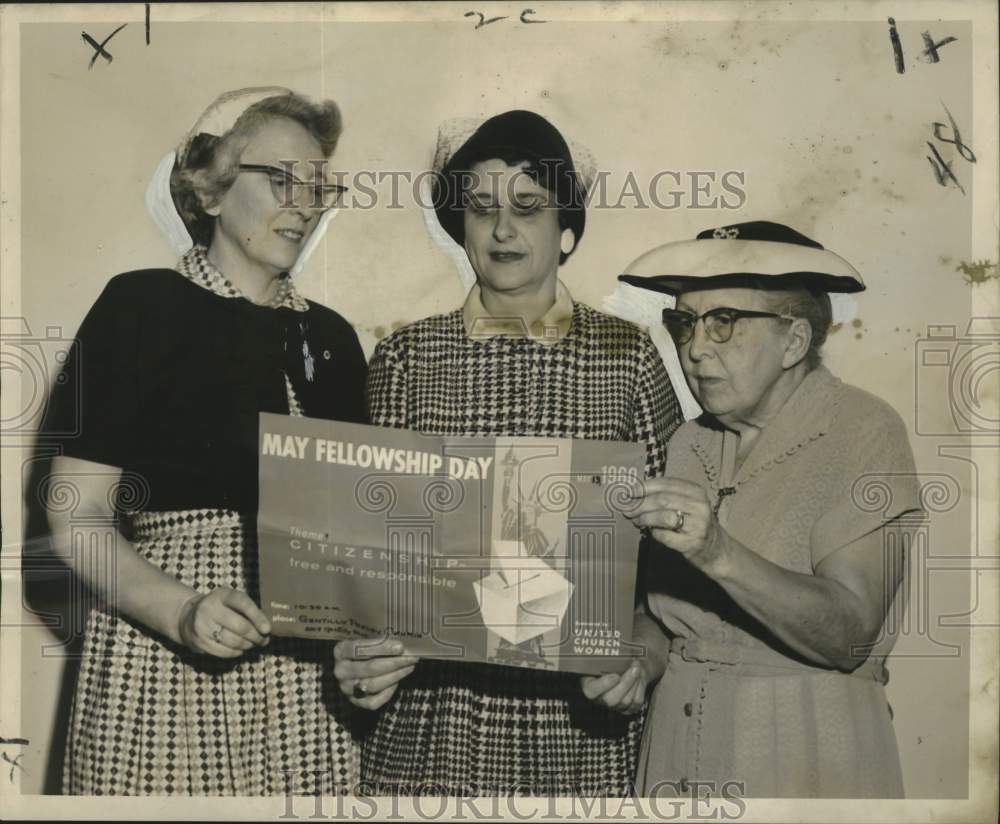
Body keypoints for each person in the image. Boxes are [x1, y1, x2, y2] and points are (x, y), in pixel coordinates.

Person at [332, 110, 682, 795]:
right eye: (482, 208)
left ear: (566, 228)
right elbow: (369, 554)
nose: (501, 229)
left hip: (577, 722)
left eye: (528, 207)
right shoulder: (407, 357)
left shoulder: (627, 357)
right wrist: (356, 651)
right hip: (434, 721)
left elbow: (671, 553)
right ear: (460, 226)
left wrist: (645, 653)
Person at [40, 87, 368, 795]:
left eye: (318, 186)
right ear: (211, 191)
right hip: (161, 654)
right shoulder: (139, 307)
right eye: (281, 179)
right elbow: (75, 520)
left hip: (306, 685)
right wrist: (181, 610)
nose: (305, 204)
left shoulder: (335, 340)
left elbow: (358, 544)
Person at [618, 221, 921, 798]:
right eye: (685, 323)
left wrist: (718, 551)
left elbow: (849, 633)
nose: (695, 347)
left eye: (723, 323)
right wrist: (635, 660)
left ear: (794, 341)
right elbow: (661, 617)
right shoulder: (687, 443)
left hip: (807, 757)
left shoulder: (862, 429)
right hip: (672, 759)